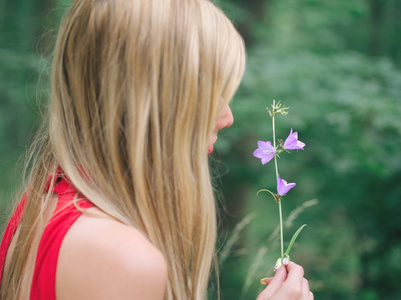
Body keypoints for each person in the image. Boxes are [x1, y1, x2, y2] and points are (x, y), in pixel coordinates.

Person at [0, 0, 313, 299]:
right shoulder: (118, 255)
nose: (227, 117)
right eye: (210, 93)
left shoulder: (44, 202)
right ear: (153, 103)